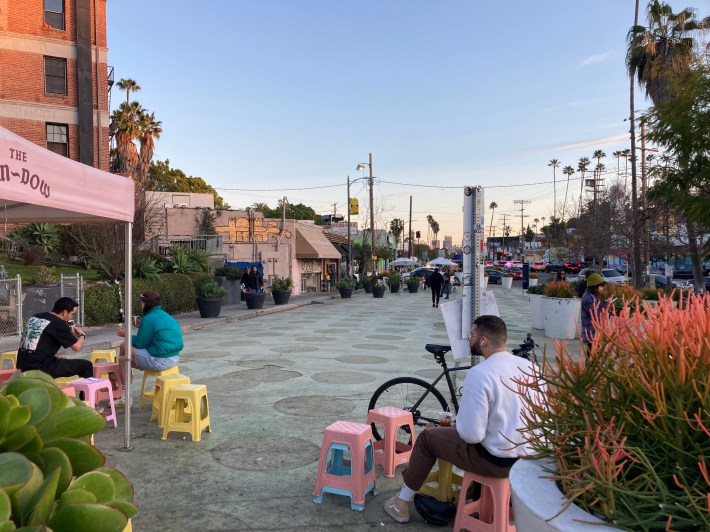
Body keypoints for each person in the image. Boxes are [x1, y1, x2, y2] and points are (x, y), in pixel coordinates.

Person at [384, 315, 542, 524]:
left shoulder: (480, 373)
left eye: (472, 335)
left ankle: (401, 504)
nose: (469, 339)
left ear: (483, 341)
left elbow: (471, 435)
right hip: (530, 460)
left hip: (496, 462)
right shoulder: (531, 368)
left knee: (428, 438)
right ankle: (488, 501)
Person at [17, 297, 93, 378]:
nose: (72, 317)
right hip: (40, 367)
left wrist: (53, 356)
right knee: (86, 365)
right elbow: (77, 347)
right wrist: (82, 335)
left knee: (60, 360)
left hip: (22, 365)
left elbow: (38, 343)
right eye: (72, 314)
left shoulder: (36, 317)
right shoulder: (59, 323)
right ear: (64, 312)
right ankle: (86, 390)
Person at [117, 291, 183, 373]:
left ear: (145, 304)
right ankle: (123, 376)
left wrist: (126, 335)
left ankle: (120, 378)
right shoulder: (164, 315)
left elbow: (140, 344)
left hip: (160, 360)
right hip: (174, 357)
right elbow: (157, 330)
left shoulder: (148, 319)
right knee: (123, 360)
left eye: (142, 302)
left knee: (124, 346)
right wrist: (142, 325)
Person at [580, 273, 610, 353]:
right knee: (592, 359)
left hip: (595, 333)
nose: (602, 289)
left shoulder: (592, 296)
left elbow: (597, 306)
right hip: (591, 334)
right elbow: (597, 315)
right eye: (601, 286)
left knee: (593, 359)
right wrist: (607, 306)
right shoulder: (588, 298)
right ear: (595, 287)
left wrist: (605, 303)